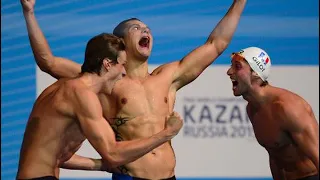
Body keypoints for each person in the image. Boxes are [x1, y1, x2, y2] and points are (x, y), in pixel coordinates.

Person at [21, 0, 247, 178]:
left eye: (147, 28)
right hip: (130, 177)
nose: (145, 30)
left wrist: (240, 1)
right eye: (136, 28)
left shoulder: (168, 76)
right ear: (119, 42)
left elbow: (216, 44)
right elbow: (48, 62)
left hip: (168, 176)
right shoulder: (103, 78)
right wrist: (29, 13)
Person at [16, 32, 183, 180]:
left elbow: (59, 155)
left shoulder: (66, 88)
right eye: (122, 65)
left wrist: (100, 165)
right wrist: (166, 134)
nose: (124, 73)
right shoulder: (81, 94)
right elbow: (112, 153)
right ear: (107, 64)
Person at [227, 47, 319, 180]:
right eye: (231, 66)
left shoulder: (288, 108)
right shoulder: (252, 109)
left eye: (237, 67)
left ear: (256, 73)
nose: (229, 72)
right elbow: (275, 155)